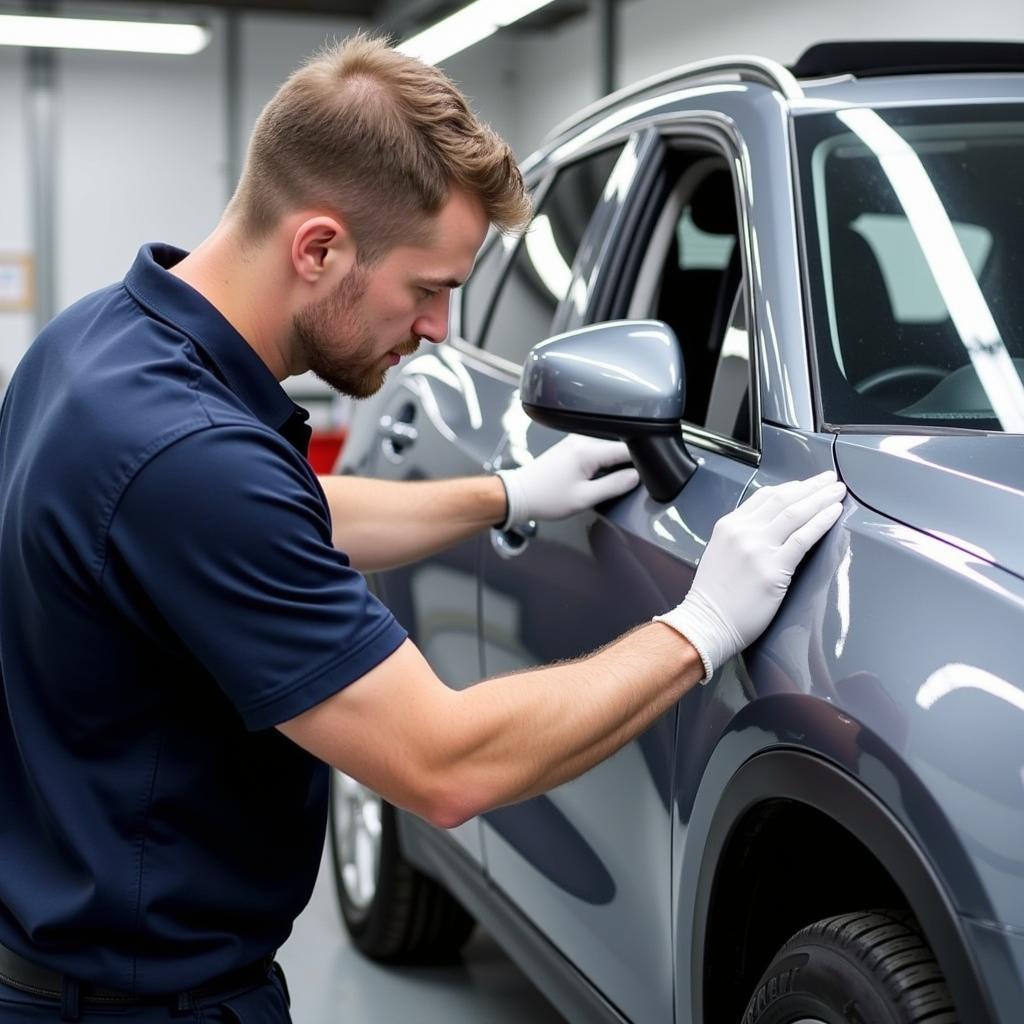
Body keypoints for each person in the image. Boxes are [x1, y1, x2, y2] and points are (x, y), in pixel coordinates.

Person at [0, 33, 845, 1023]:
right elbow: (443, 764)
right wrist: (698, 627)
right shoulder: (192, 459)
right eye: (431, 287)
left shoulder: (95, 343)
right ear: (318, 247)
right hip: (141, 1004)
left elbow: (289, 513)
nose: (442, 331)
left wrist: (508, 495)